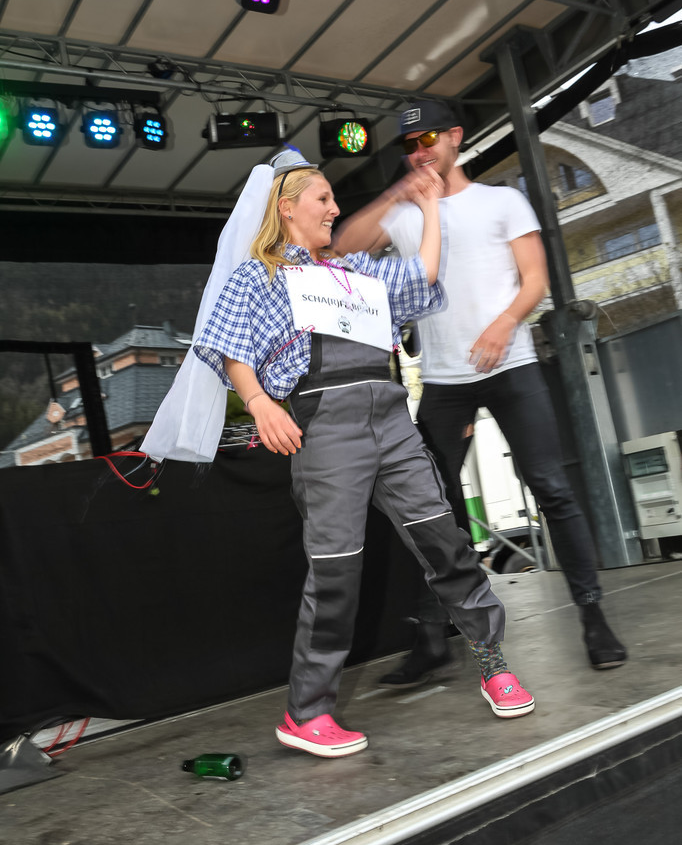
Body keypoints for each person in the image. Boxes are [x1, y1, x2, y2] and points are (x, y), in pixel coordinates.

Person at [191, 150, 535, 759]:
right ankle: (308, 712)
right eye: (322, 199)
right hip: (327, 431)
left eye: (333, 198)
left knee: (445, 543)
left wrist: (428, 208)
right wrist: (261, 403)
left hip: (393, 422)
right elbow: (227, 346)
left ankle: (492, 664)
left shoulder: (357, 269)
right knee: (336, 569)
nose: (334, 208)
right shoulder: (258, 275)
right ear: (286, 208)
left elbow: (424, 273)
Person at [333, 99, 627, 681]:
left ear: (455, 137)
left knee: (551, 487)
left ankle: (594, 617)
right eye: (410, 145)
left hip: (511, 365)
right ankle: (432, 638)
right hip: (445, 379)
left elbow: (535, 281)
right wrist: (399, 193)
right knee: (432, 510)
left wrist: (503, 324)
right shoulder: (406, 212)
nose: (420, 151)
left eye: (429, 139)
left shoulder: (502, 202)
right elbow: (343, 245)